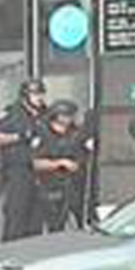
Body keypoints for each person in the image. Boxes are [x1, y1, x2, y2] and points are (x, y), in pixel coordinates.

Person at [0, 78, 48, 241]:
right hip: (18, 169)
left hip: (41, 169)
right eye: (35, 94)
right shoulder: (12, 113)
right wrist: (19, 137)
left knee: (37, 215)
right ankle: (10, 246)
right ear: (25, 96)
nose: (40, 97)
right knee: (17, 211)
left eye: (41, 93)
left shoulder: (46, 113)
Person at [33, 100, 86, 233]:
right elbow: (33, 163)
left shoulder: (76, 133)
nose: (70, 119)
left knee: (82, 222)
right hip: (51, 186)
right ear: (57, 116)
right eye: (67, 115)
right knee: (55, 225)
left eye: (72, 115)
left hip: (76, 185)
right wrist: (60, 163)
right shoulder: (42, 134)